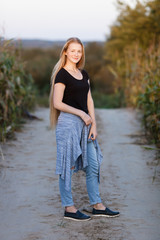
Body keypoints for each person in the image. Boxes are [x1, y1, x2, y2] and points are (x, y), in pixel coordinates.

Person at [49, 37, 120, 221]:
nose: (76, 54)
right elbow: (57, 103)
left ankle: (97, 205)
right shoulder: (62, 75)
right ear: (65, 51)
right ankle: (69, 208)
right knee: (67, 166)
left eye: (79, 51)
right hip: (69, 125)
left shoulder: (84, 74)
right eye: (72, 50)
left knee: (93, 164)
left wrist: (93, 124)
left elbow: (89, 100)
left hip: (86, 126)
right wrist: (81, 114)